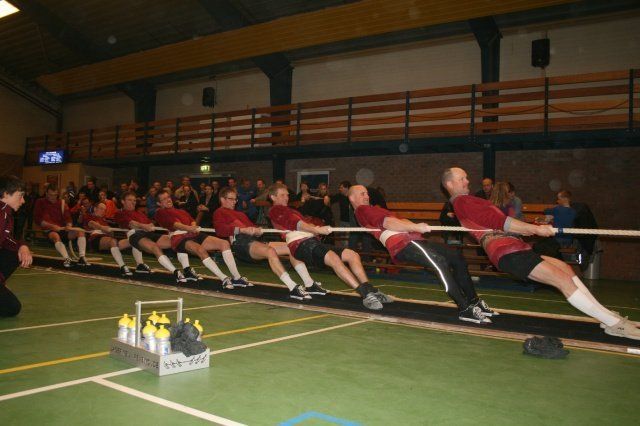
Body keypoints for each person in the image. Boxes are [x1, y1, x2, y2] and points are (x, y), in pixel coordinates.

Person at [442, 167, 640, 340]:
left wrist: (531, 228)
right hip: (507, 252)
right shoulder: (463, 202)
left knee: (564, 269)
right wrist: (535, 229)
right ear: (450, 184)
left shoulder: (467, 202)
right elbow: (501, 223)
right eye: (462, 178)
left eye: (466, 177)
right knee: (562, 280)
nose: (467, 181)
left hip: (514, 247)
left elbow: (499, 223)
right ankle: (615, 325)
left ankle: (607, 316)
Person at [349, 185, 493, 323]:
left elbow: (397, 220)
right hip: (404, 243)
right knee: (440, 263)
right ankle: (465, 308)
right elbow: (388, 222)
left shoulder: (370, 210)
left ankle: (474, 301)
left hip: (413, 240)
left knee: (456, 258)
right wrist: (415, 226)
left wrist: (412, 226)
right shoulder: (363, 210)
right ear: (352, 198)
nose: (367, 196)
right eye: (362, 194)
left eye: (367, 193)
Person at [268, 183, 390, 310]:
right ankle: (365, 294)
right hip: (301, 245)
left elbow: (303, 223)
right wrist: (316, 229)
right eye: (282, 195)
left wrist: (315, 228)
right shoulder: (276, 210)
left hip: (311, 242)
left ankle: (370, 289)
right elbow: (297, 224)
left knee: (352, 255)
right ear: (273, 197)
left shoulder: (290, 210)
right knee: (334, 259)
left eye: (287, 195)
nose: (286, 198)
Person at [214, 186, 326, 300]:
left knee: (292, 247)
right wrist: (242, 230)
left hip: (254, 241)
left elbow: (253, 228)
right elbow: (220, 230)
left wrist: (257, 231)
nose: (234, 202)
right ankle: (293, 287)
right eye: (231, 199)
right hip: (241, 244)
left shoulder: (240, 214)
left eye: (235, 199)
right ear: (222, 199)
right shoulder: (219, 212)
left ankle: (309, 284)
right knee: (270, 251)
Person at [154, 189, 250, 289]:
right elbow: (174, 224)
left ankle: (236, 278)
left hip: (193, 234)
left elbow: (192, 220)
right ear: (159, 203)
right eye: (164, 199)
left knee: (224, 243)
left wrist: (193, 226)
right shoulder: (160, 212)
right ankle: (224, 278)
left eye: (168, 197)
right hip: (179, 238)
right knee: (200, 250)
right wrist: (189, 228)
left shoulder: (181, 211)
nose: (168, 200)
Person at [114, 191, 186, 283]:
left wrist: (147, 226)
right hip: (135, 235)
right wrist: (144, 226)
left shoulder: (139, 213)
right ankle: (176, 272)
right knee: (155, 247)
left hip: (148, 233)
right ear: (123, 201)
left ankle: (187, 268)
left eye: (134, 200)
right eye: (130, 200)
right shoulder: (120, 213)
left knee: (176, 240)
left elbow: (150, 224)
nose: (133, 202)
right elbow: (131, 224)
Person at [33, 184, 89, 267]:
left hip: (62, 229)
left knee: (80, 232)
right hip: (49, 230)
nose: (53, 197)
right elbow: (37, 220)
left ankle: (82, 257)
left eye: (55, 195)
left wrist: (69, 225)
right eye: (51, 195)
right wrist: (52, 226)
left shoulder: (62, 203)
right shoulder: (40, 202)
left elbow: (68, 218)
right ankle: (67, 258)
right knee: (55, 236)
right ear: (46, 193)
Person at [1, 176, 33, 317]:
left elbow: (7, 240)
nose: (23, 201)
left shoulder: (6, 213)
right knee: (12, 307)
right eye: (20, 196)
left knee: (14, 252)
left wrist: (23, 246)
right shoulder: (2, 214)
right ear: (6, 194)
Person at [83, 202, 134, 276]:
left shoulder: (104, 221)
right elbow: (92, 224)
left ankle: (140, 265)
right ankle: (123, 266)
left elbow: (111, 234)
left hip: (107, 241)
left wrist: (109, 230)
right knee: (112, 241)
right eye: (101, 209)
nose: (103, 211)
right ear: (95, 209)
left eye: (104, 210)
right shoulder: (89, 216)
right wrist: (102, 228)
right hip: (94, 240)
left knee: (132, 240)